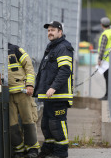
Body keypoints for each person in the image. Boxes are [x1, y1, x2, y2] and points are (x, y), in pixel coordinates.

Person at [33, 21, 74, 158]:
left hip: (58, 94)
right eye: (49, 30)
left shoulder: (63, 47)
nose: (50, 32)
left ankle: (61, 153)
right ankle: (49, 149)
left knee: (57, 124)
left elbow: (64, 70)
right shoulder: (52, 47)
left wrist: (53, 87)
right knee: (46, 124)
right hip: (49, 95)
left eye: (53, 30)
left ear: (60, 32)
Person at [8, 43, 40, 158]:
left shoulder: (14, 49)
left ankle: (32, 149)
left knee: (28, 121)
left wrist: (30, 85)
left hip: (23, 92)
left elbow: (29, 66)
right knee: (12, 124)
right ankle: (19, 150)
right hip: (7, 94)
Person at [97, 17, 111, 100]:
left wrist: (99, 59)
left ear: (102, 25)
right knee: (109, 78)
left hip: (106, 60)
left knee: (107, 78)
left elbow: (102, 48)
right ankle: (108, 95)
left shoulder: (105, 34)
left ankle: (107, 96)